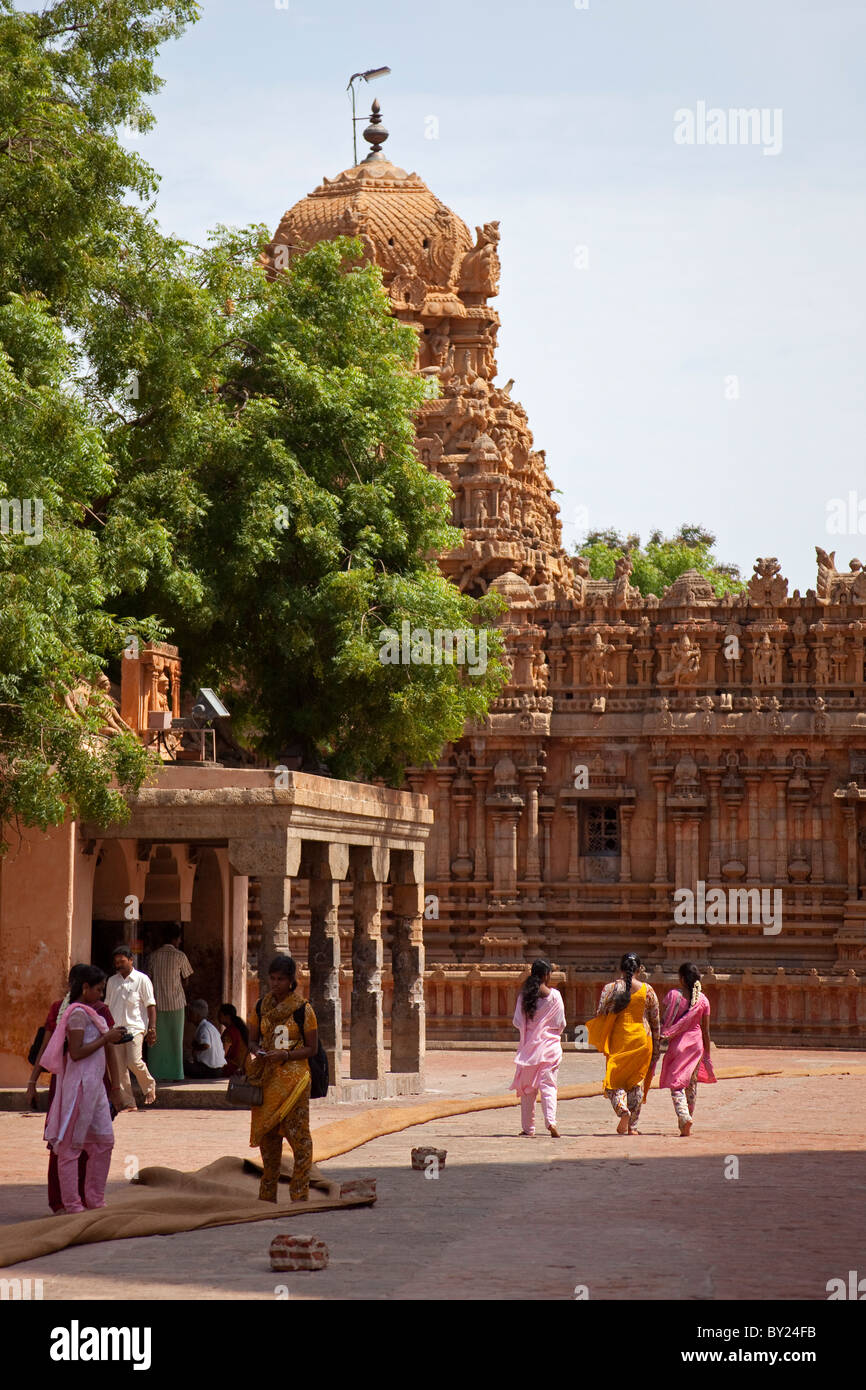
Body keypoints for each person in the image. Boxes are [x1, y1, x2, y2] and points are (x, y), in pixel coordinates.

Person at [26, 964, 124, 1213]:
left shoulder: (95, 1011)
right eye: (99, 989)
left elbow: (106, 1051)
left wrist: (115, 1085)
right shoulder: (76, 1013)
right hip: (77, 1084)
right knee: (70, 1145)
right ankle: (70, 1203)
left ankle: (94, 1199)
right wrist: (106, 1038)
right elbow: (76, 1052)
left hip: (95, 1085)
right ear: (85, 987)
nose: (101, 995)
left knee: (103, 1141)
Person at [245, 955, 318, 1203]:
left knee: (300, 1139)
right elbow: (252, 1039)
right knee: (269, 1140)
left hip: (295, 1082)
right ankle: (267, 1195)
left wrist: (285, 1054)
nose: (276, 984)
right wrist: (259, 1051)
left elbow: (312, 1048)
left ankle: (299, 1193)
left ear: (291, 981)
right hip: (267, 1080)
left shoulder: (303, 1009)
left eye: (281, 979)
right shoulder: (259, 1007)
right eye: (272, 978)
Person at [586, 951, 660, 1135]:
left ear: (620, 968)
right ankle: (632, 1127)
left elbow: (600, 1013)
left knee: (614, 1081)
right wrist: (657, 1046)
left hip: (619, 1040)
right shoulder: (648, 990)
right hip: (642, 1040)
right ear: (640, 969)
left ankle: (622, 1110)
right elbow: (656, 1020)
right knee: (636, 1082)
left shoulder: (610, 989)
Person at [510, 958, 567, 1138]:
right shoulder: (556, 996)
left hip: (530, 1051)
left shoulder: (524, 997)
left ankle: (528, 1128)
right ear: (547, 975)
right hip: (551, 1048)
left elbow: (518, 1022)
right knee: (549, 1086)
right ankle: (551, 1121)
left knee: (528, 1090)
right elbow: (561, 1023)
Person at [658, 961, 717, 1136]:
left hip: (678, 1045)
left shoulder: (672, 995)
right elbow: (706, 1031)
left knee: (677, 1084)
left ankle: (684, 1117)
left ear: (682, 979)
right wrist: (707, 1053)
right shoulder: (703, 1000)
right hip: (696, 1045)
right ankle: (688, 1116)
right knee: (691, 1084)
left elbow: (664, 1021)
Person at [105, 945, 157, 1110]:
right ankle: (129, 1102)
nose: (119, 964)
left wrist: (152, 1028)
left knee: (134, 1061)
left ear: (131, 960)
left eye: (122, 961)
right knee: (119, 1068)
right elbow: (107, 1005)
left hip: (135, 1028)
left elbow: (150, 1005)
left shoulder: (142, 980)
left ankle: (149, 1087)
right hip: (116, 1030)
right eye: (117, 962)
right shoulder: (112, 981)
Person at [145, 924, 193, 1081]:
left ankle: (155, 1073)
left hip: (156, 1003)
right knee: (175, 1040)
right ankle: (176, 1073)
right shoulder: (180, 956)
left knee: (156, 1042)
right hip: (176, 1004)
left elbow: (148, 979)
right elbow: (187, 979)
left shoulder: (153, 956)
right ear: (176, 939)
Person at [184, 1000, 226, 1077]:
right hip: (218, 1070)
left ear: (197, 1015)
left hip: (210, 1070)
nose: (188, 1015)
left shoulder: (204, 1028)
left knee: (183, 1065)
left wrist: (195, 1046)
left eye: (191, 1013)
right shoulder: (208, 1026)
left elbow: (206, 1045)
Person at [218, 1003, 249, 1076]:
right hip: (243, 1067)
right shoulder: (239, 1029)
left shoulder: (230, 1032)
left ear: (227, 1016)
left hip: (233, 1068)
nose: (218, 1017)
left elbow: (222, 1054)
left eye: (220, 1015)